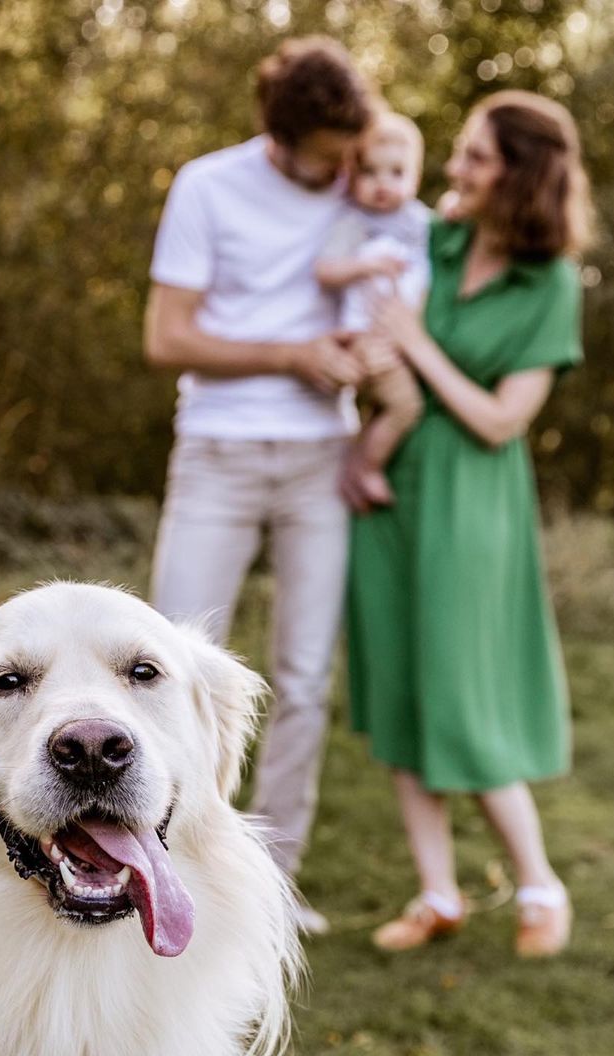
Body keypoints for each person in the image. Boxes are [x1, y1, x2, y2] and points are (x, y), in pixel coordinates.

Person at [345, 91, 591, 957]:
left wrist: (413, 343)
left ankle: (538, 885)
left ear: (521, 174)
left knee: (461, 696)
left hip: (474, 499)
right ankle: (438, 892)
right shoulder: (436, 240)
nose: (456, 169)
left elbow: (498, 420)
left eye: (477, 157)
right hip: (392, 492)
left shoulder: (549, 284)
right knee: (402, 690)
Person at [144, 37, 373, 932]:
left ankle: (272, 885)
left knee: (305, 677)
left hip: (324, 459)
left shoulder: (368, 186)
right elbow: (167, 336)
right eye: (330, 150)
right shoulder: (209, 186)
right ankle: (161, 861)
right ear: (281, 139)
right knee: (173, 669)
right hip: (217, 459)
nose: (348, 165)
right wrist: (290, 353)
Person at [315, 111, 432, 508]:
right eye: (370, 172)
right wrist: (366, 265)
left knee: (388, 404)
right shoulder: (352, 222)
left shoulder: (419, 221)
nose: (383, 184)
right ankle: (365, 466)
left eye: (396, 173)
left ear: (415, 176)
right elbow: (325, 270)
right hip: (365, 335)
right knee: (406, 405)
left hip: (404, 337)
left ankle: (362, 460)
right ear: (351, 176)